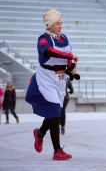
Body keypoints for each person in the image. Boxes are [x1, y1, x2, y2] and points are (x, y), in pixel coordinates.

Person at [25, 9, 79, 160]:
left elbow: (68, 58)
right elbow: (50, 52)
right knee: (55, 110)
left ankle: (39, 133)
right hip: (47, 77)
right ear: (49, 25)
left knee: (54, 112)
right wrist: (70, 56)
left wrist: (71, 68)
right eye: (57, 23)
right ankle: (57, 151)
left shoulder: (64, 38)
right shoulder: (43, 39)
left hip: (60, 78)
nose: (60, 26)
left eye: (61, 23)